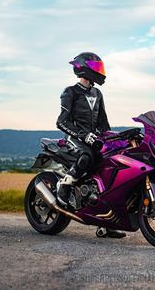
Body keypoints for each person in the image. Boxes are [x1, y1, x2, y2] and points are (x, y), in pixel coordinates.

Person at [56, 52, 126, 238]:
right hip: (74, 139)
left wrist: (114, 139)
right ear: (84, 68)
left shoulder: (97, 93)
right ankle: (65, 185)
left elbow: (103, 123)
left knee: (111, 165)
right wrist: (83, 135)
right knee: (86, 156)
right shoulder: (70, 92)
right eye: (97, 68)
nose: (100, 72)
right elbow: (61, 122)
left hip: (93, 139)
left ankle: (107, 223)